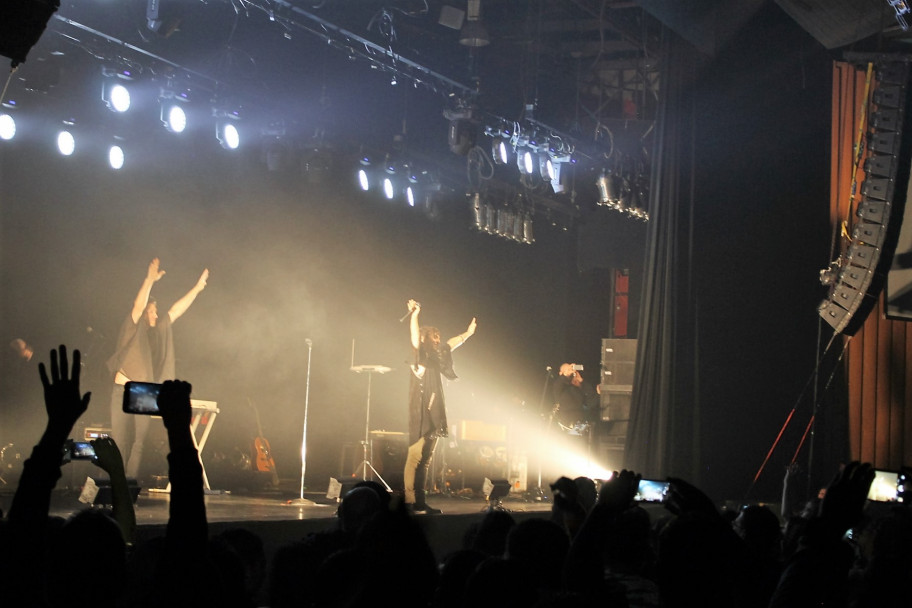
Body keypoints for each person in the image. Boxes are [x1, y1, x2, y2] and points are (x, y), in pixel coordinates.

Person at [106, 258, 208, 480]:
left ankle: (129, 486)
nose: (155, 314)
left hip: (143, 392)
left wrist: (197, 289)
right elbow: (138, 306)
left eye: (155, 312)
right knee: (120, 441)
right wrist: (149, 280)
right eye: (152, 312)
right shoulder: (132, 327)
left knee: (139, 443)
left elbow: (175, 311)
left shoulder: (157, 332)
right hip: (122, 389)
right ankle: (116, 485)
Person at [402, 299, 476, 514]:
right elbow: (414, 339)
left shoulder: (436, 357)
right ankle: (409, 500)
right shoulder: (418, 355)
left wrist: (468, 334)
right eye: (435, 337)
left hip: (434, 411)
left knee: (425, 461)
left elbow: (451, 344)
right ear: (427, 338)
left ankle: (420, 502)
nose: (438, 341)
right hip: (420, 412)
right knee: (415, 457)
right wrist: (415, 315)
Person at [551, 363, 598, 433]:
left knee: (578, 439)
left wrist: (581, 380)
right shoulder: (559, 385)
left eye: (571, 370)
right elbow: (560, 382)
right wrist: (566, 374)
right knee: (567, 439)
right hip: (565, 418)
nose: (571, 371)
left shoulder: (577, 387)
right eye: (567, 370)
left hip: (579, 417)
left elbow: (590, 396)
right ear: (561, 373)